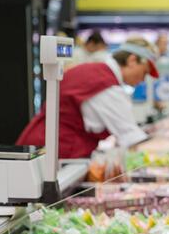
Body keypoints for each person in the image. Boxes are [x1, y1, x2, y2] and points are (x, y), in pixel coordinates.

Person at [16, 38, 158, 158]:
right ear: (132, 60)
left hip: (43, 147)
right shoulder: (106, 85)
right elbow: (131, 137)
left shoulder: (96, 71)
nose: (143, 80)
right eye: (144, 72)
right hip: (53, 153)